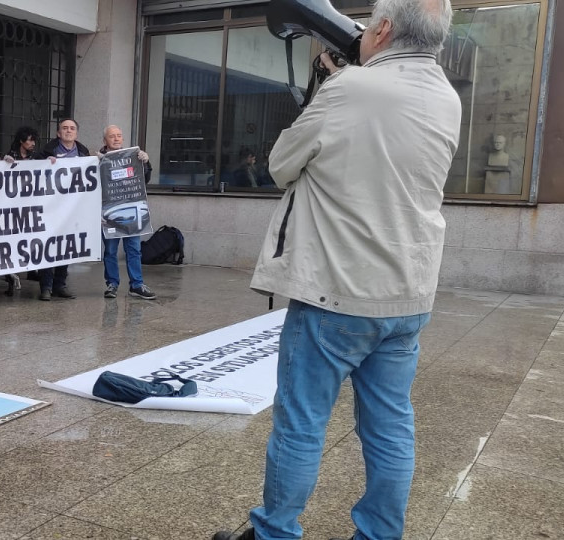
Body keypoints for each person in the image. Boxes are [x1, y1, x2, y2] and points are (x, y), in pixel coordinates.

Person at [211, 1, 461, 539]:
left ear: (386, 29)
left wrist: (336, 85)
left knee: (301, 424)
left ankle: (275, 531)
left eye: (369, 25)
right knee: (390, 426)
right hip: (407, 296)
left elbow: (282, 165)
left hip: (336, 295)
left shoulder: (350, 89)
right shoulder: (446, 97)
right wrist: (349, 76)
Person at [97, 125, 156, 301]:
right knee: (110, 251)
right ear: (105, 140)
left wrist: (145, 162)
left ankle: (136, 285)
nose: (116, 139)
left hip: (132, 211)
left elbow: (144, 179)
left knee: (134, 250)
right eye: (112, 136)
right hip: (109, 213)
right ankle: (112, 284)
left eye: (119, 136)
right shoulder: (96, 159)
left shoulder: (132, 157)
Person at [34, 118, 90, 301]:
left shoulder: (84, 153)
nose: (68, 131)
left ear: (77, 133)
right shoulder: (47, 151)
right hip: (49, 207)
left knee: (66, 246)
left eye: (72, 128)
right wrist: (44, 163)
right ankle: (46, 287)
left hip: (72, 208)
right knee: (48, 245)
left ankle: (60, 284)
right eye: (64, 128)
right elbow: (33, 172)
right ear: (58, 133)